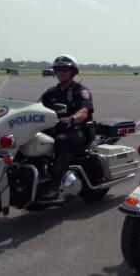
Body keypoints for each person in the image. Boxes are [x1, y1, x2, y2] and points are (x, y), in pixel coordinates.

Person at [40, 55, 94, 199]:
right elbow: (37, 107)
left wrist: (71, 119)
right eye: (58, 70)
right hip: (56, 129)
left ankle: (55, 186)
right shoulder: (51, 92)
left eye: (65, 69)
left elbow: (84, 112)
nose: (61, 73)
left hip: (79, 130)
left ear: (72, 72)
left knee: (61, 141)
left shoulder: (80, 91)